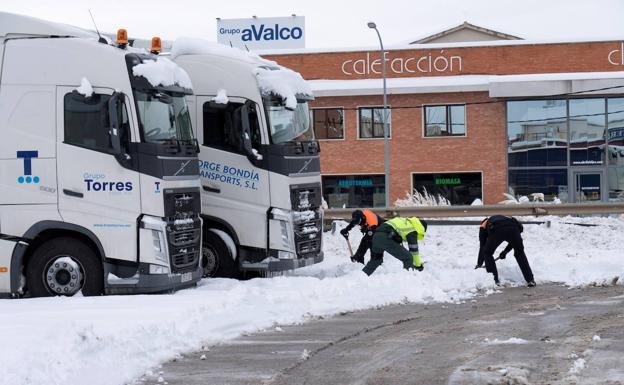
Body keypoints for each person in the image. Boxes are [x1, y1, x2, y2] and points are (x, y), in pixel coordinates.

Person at [475, 215, 536, 287]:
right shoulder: (506, 219)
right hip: (514, 228)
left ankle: (494, 281)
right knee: (519, 253)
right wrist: (505, 252)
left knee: (488, 253)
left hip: (497, 228)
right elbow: (513, 240)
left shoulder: (483, 225)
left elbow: (483, 247)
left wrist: (479, 264)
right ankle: (530, 280)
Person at [362, 216, 427, 276]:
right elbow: (414, 251)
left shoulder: (406, 222)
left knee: (376, 260)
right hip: (385, 237)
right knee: (408, 258)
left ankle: (362, 276)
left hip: (376, 236)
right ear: (422, 228)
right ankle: (408, 281)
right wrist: (418, 266)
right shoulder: (413, 230)